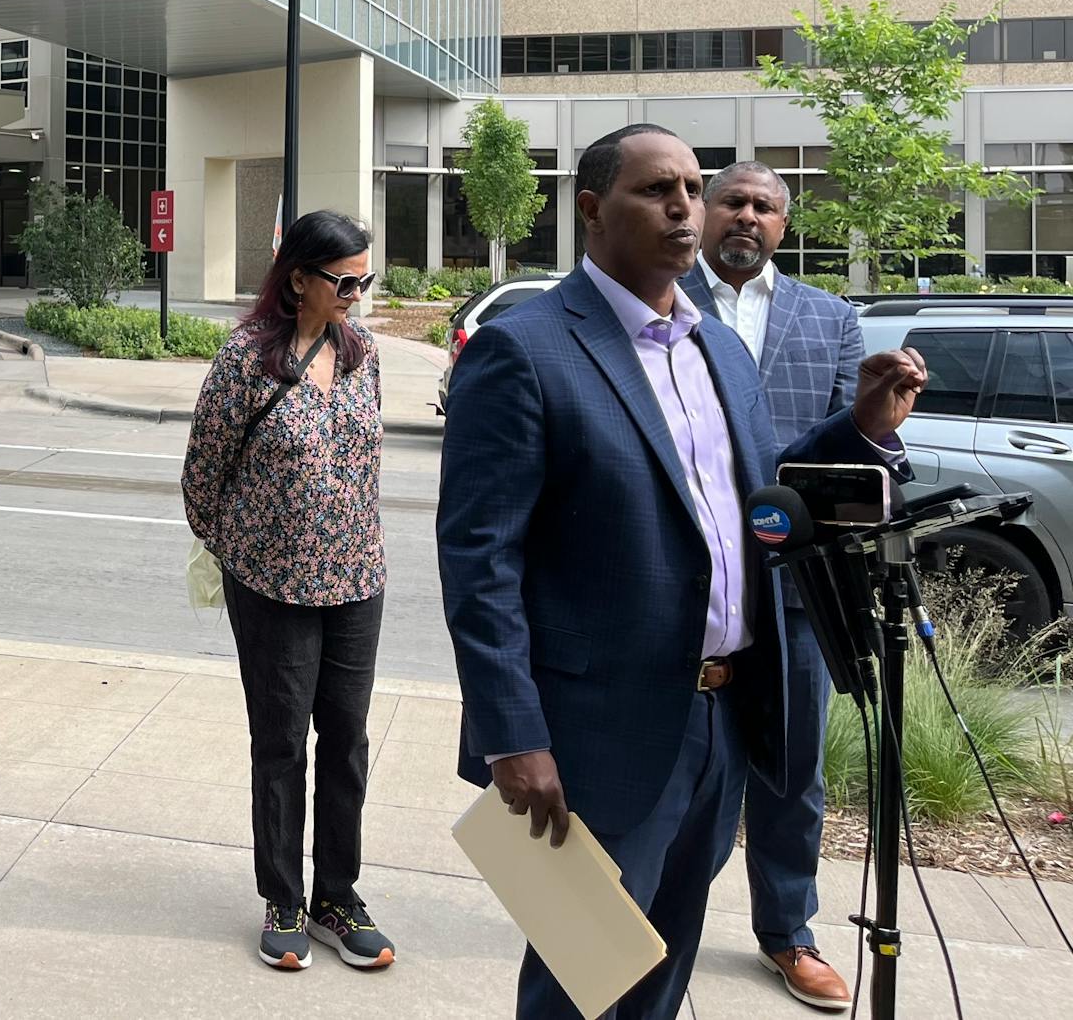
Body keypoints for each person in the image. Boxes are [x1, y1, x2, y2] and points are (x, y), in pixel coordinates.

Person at [437, 124, 926, 1020]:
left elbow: (759, 496)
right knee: (581, 980)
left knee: (663, 967)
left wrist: (859, 428)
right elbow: (480, 558)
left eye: (694, 189)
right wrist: (514, 736)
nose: (685, 208)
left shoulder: (716, 347)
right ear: (590, 209)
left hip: (720, 722)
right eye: (657, 189)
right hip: (596, 734)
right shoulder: (528, 347)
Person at [181, 210, 395, 975]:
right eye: (345, 281)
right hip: (272, 585)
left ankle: (339, 895)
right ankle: (284, 898)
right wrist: (246, 551)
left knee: (347, 742)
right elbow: (202, 475)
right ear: (298, 278)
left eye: (367, 278)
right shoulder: (246, 360)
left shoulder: (363, 352)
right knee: (281, 745)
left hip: (357, 579)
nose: (359, 294)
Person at [681, 161, 863, 1012]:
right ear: (704, 212)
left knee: (793, 772)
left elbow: (847, 455)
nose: (746, 217)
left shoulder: (831, 320)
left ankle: (787, 932)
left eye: (764, 206)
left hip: (794, 588)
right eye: (733, 202)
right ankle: (649, 917)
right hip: (683, 585)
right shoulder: (659, 301)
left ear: (784, 224)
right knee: (672, 765)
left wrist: (876, 429)